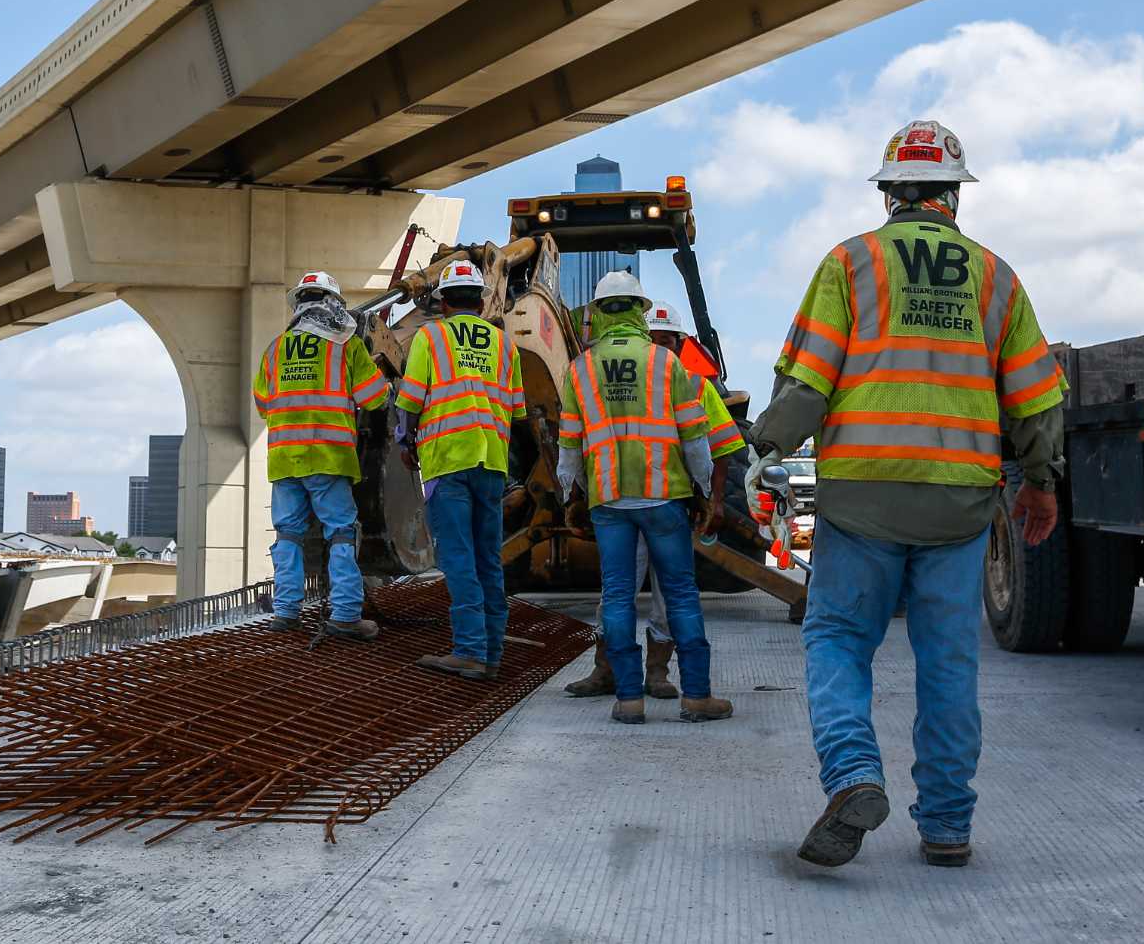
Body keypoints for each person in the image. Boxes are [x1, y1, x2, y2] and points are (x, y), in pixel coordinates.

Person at [747, 120, 1065, 869]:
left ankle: (855, 774)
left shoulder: (851, 262)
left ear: (890, 190)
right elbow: (1034, 397)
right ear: (955, 194)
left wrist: (766, 446)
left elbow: (808, 379)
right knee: (949, 663)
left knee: (838, 640)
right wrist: (1041, 482)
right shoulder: (996, 276)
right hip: (959, 505)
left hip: (863, 500)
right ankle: (948, 824)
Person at [555, 272, 738, 725]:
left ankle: (628, 700)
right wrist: (701, 491)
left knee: (617, 597)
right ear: (639, 308)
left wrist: (571, 495)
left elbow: (568, 449)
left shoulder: (579, 369)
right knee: (679, 595)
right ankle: (696, 697)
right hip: (663, 500)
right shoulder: (665, 363)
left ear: (597, 312)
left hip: (610, 503)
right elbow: (696, 441)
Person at [393, 258, 525, 679]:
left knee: (458, 557)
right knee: (488, 557)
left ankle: (469, 650)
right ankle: (492, 650)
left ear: (444, 301)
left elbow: (411, 399)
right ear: (480, 300)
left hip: (448, 460)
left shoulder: (431, 336)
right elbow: (517, 409)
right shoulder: (505, 343)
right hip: (491, 461)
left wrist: (405, 441)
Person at [252, 270, 390, 641]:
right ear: (332, 304)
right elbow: (375, 398)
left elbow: (264, 404)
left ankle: (286, 612)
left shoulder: (275, 349)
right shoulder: (346, 345)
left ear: (298, 304)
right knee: (341, 533)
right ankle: (345, 614)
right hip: (329, 456)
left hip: (284, 459)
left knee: (288, 536)